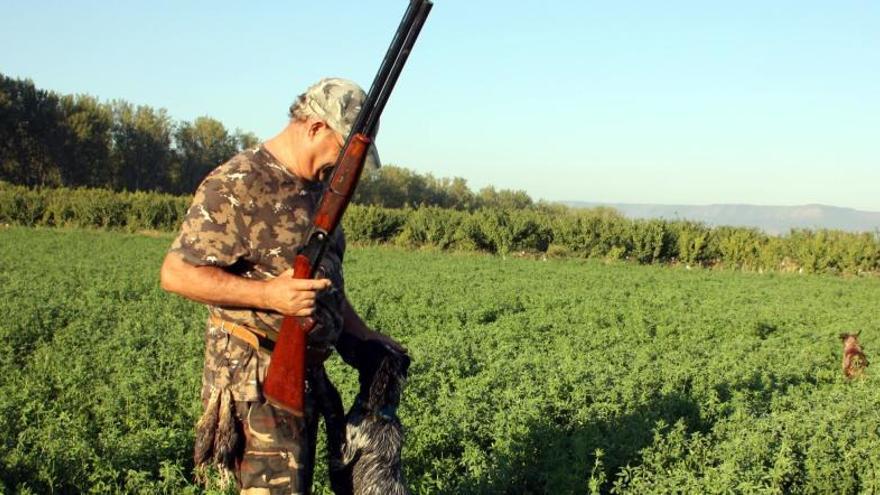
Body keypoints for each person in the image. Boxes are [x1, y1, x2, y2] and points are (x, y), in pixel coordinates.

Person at [160, 77, 404, 494]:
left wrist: (362, 337)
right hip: (255, 384)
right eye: (344, 151)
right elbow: (176, 273)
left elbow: (324, 286)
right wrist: (268, 295)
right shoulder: (239, 181)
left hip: (306, 379)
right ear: (314, 127)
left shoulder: (319, 192)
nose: (348, 166)